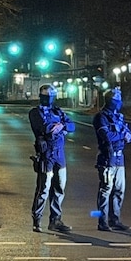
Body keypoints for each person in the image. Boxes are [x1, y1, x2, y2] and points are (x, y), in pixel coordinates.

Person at [29, 83, 75, 233]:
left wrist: (61, 126)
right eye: (46, 96)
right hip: (46, 155)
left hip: (59, 156)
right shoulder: (35, 112)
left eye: (51, 96)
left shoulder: (58, 111)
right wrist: (58, 127)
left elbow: (71, 125)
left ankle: (55, 220)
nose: (49, 99)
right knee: (43, 189)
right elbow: (44, 128)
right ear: (41, 96)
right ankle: (37, 219)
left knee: (59, 188)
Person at [93, 86, 131, 231]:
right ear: (111, 101)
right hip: (107, 158)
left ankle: (114, 219)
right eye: (117, 100)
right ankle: (102, 221)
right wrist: (122, 135)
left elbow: (130, 135)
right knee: (105, 190)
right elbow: (106, 136)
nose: (120, 103)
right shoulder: (101, 117)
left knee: (119, 190)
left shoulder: (119, 117)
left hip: (119, 159)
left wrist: (125, 135)